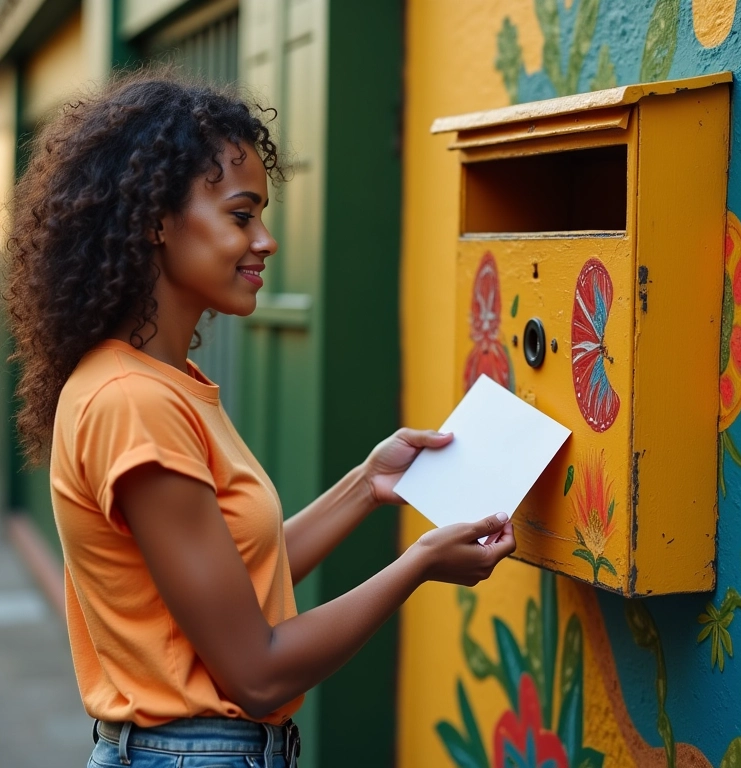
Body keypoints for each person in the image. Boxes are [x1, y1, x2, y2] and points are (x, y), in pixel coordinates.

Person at [5, 70, 516, 768]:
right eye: (242, 216)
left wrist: (367, 484)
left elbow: (243, 579)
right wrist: (417, 565)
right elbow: (257, 672)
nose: (267, 241)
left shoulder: (162, 385)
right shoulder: (134, 403)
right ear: (156, 219)